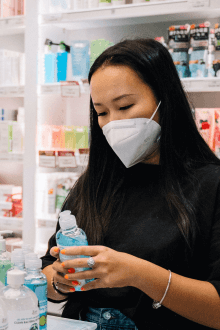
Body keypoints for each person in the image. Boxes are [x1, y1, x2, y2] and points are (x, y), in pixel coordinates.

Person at [40, 38, 220, 330]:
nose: (112, 123)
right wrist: (61, 279)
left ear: (165, 99)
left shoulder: (211, 185)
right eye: (101, 112)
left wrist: (137, 274)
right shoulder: (94, 183)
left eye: (124, 106)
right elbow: (47, 270)